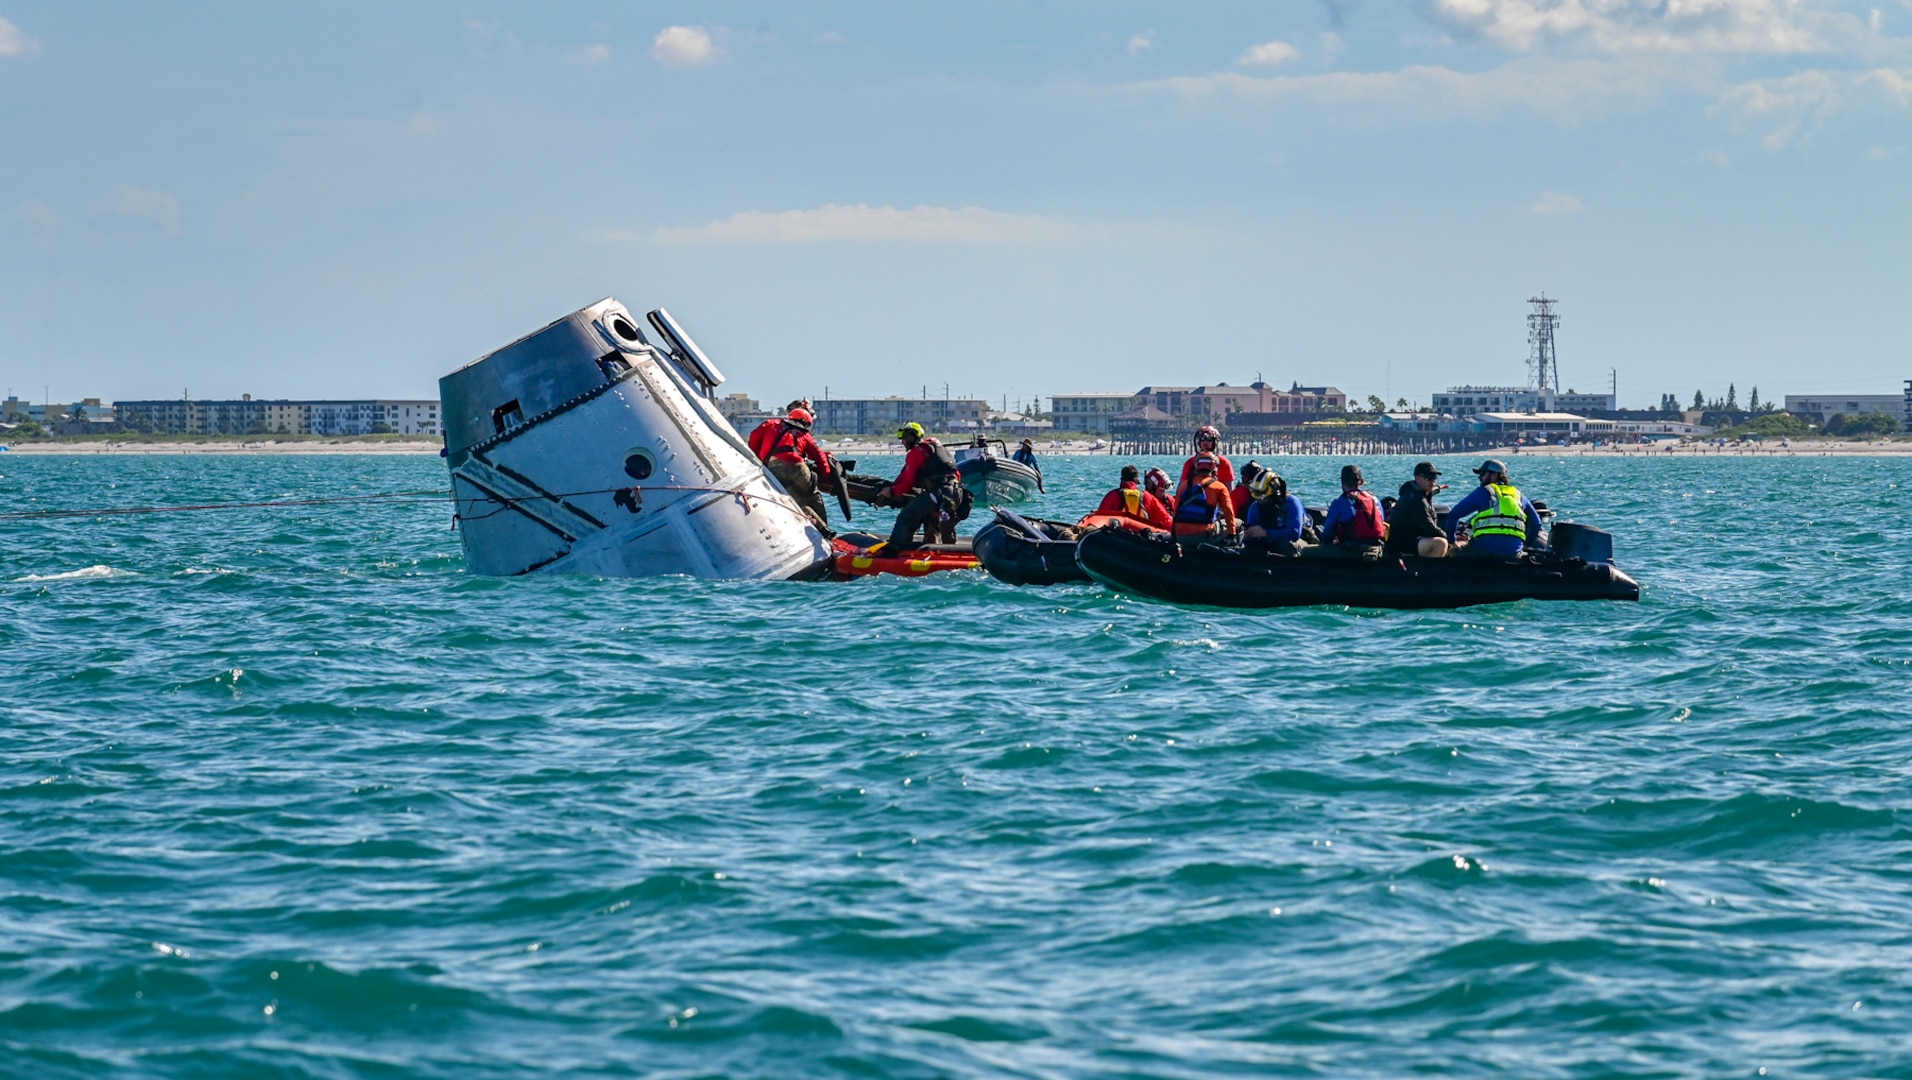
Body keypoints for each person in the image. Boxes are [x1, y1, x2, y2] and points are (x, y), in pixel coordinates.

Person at [885, 422, 972, 549]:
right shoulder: (936, 449)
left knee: (906, 516)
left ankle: (892, 550)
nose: (902, 442)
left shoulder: (916, 453)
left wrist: (891, 491)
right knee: (933, 519)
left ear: (911, 436)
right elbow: (956, 475)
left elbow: (907, 483)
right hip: (956, 494)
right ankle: (933, 546)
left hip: (939, 494)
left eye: (903, 438)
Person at [753, 406, 835, 531]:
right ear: (805, 422)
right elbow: (818, 456)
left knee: (796, 502)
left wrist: (758, 458)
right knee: (812, 496)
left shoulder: (770, 424)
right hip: (797, 467)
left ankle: (814, 527)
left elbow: (753, 439)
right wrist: (826, 474)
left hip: (773, 469)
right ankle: (825, 528)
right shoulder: (804, 434)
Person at [1446, 458, 1541, 559]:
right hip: (1513, 554)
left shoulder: (1483, 492)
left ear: (1495, 474)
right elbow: (1536, 523)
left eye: (1483, 474)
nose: (1480, 478)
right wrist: (1526, 546)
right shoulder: (1519, 495)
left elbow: (1453, 516)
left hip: (1484, 551)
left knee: (1452, 553)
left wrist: (1452, 542)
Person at [1302, 464, 1387, 558]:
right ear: (1361, 482)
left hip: (1353, 552)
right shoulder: (1375, 500)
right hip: (1377, 550)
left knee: (1306, 551)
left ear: (1343, 482)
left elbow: (1327, 537)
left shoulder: (1339, 503)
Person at [1385, 461, 1450, 559]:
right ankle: (1427, 572)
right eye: (1429, 478)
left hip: (1414, 539)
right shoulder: (1415, 499)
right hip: (1401, 546)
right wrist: (1450, 540)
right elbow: (1428, 528)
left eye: (1434, 478)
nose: (1433, 482)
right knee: (1440, 543)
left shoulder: (1421, 493)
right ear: (1418, 478)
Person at [1170, 454, 1239, 540]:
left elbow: (1176, 511)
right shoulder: (1219, 486)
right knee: (1239, 523)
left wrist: (1173, 536)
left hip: (1180, 536)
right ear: (1214, 467)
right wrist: (1232, 534)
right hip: (1203, 535)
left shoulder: (1183, 485)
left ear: (1196, 466)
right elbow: (1228, 512)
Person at [1243, 470, 1308, 556]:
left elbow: (1295, 533)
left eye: (1262, 495)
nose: (1259, 499)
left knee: (1288, 545)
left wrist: (1265, 533)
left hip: (1296, 541)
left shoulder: (1292, 502)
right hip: (1269, 541)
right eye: (1256, 494)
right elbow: (1251, 531)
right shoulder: (1255, 507)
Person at [1094, 464, 1173, 529]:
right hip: (1144, 539)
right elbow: (1166, 520)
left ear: (1121, 479)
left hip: (1118, 538)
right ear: (1136, 481)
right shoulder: (1148, 497)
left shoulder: (1112, 496)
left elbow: (1099, 518)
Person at [1175, 425, 1235, 503]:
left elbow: (1229, 491)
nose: (1205, 442)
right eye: (1202, 439)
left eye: (1209, 440)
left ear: (1214, 442)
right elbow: (1180, 490)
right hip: (1193, 504)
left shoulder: (1224, 463)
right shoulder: (1190, 463)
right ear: (1199, 442)